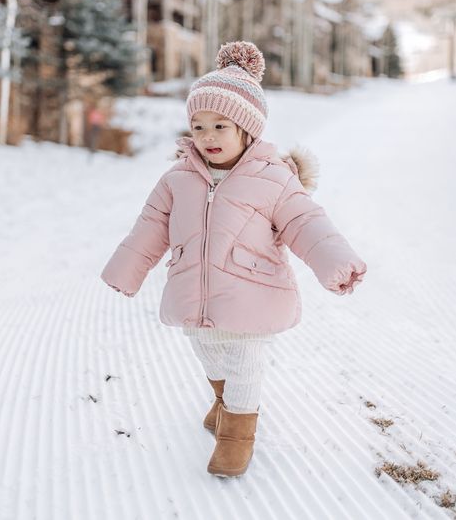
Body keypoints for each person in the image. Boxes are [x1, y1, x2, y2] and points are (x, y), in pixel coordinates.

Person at [101, 41, 367, 478]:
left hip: (253, 294)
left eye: (220, 126)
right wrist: (125, 269)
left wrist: (335, 262)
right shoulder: (178, 178)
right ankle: (222, 403)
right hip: (194, 293)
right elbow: (150, 226)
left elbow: (307, 223)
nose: (207, 137)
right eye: (199, 126)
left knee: (244, 365)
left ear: (248, 129)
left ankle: (236, 438)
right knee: (208, 353)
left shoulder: (274, 178)